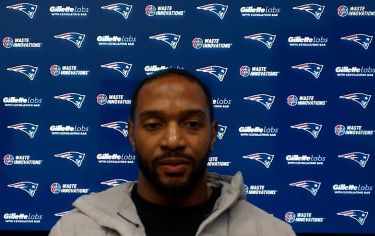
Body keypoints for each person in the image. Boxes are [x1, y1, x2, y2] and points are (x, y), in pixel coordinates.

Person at [49, 68, 296, 236]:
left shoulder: (269, 231)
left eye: (192, 124)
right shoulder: (75, 229)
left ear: (213, 135)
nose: (173, 140)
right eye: (154, 125)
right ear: (132, 135)